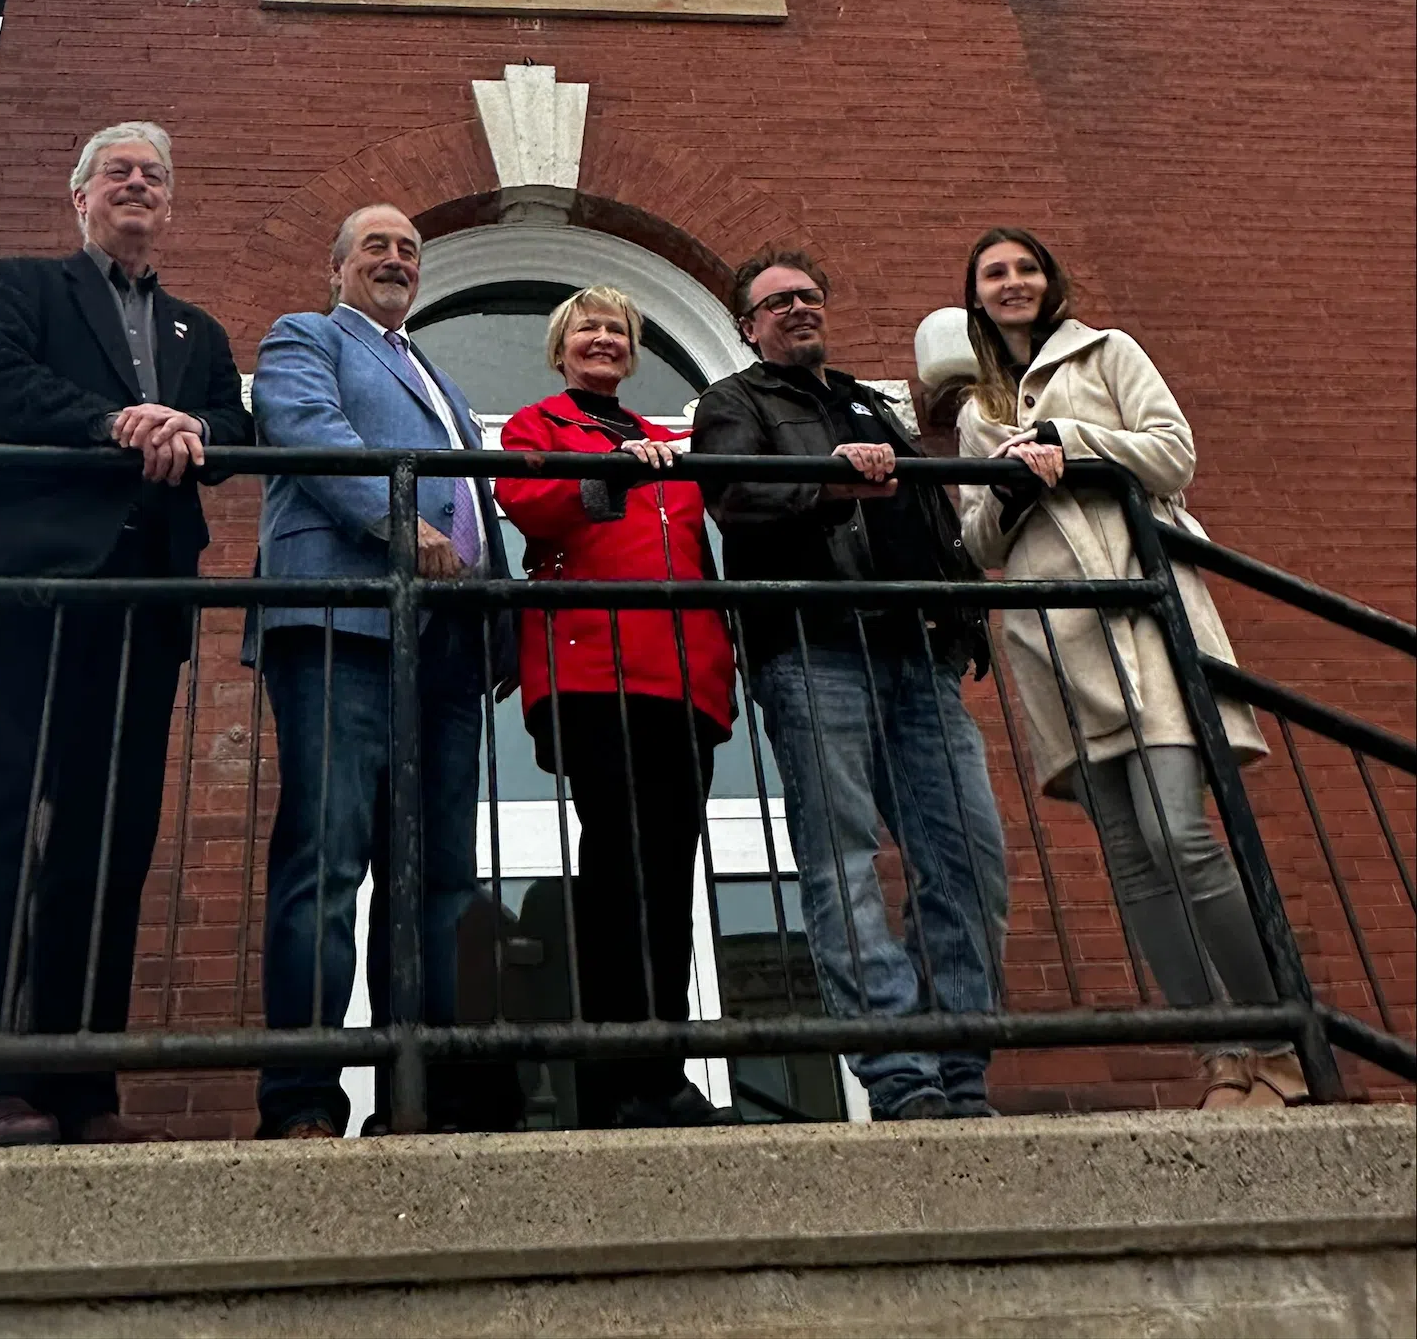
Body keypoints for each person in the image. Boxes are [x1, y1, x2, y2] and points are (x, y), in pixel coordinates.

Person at [0, 120, 251, 1148]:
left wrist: (190, 429)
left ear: (170, 204)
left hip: (145, 600)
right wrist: (119, 422)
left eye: (154, 174)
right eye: (117, 171)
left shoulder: (199, 331)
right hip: (29, 589)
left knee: (109, 840)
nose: (137, 184)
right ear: (80, 195)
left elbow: (234, 434)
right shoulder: (21, 283)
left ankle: (79, 1086)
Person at [954, 227, 1305, 1109]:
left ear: (1050, 281)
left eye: (1026, 268)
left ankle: (1281, 1041)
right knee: (1130, 861)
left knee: (1180, 836)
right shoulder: (975, 411)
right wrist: (1013, 485)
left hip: (1141, 621)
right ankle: (1221, 1059)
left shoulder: (1107, 354)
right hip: (1053, 642)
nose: (1013, 283)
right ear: (976, 296)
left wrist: (1068, 441)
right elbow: (976, 541)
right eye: (995, 274)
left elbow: (1173, 454)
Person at [691, 245, 1008, 1122]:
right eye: (778, 303)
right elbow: (732, 496)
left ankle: (960, 1069)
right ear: (748, 328)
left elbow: (930, 517)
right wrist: (833, 484)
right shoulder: (735, 402)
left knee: (969, 862)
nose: (799, 310)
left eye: (809, 296)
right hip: (815, 646)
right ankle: (901, 1076)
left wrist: (962, 614)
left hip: (920, 654)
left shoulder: (869, 402)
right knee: (844, 866)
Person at [248, 203, 516, 1139]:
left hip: (446, 642)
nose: (397, 260)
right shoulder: (306, 338)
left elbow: (478, 505)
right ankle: (302, 1099)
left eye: (409, 250)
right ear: (337, 267)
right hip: (342, 622)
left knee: (441, 875)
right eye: (377, 247)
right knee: (325, 861)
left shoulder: (436, 373)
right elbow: (304, 427)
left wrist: (501, 620)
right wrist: (403, 521)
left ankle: (426, 1095)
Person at [494, 287, 736, 1128]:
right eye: (587, 329)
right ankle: (609, 1078)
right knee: (614, 871)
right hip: (595, 668)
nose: (604, 340)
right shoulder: (540, 424)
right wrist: (606, 473)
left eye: (618, 331)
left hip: (684, 674)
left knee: (668, 875)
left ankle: (662, 1069)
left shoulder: (671, 436)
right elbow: (526, 504)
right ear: (562, 349)